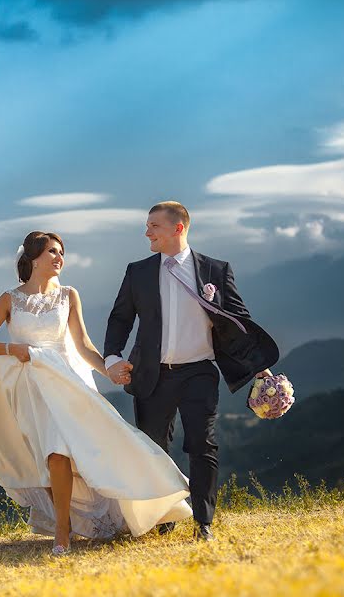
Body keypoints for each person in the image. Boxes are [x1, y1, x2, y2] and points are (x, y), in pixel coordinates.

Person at [0, 231, 193, 555]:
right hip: (29, 385)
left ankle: (72, 528)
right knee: (50, 456)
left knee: (66, 451)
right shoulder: (10, 299)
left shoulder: (69, 295)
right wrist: (12, 347)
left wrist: (110, 370)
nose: (59, 257)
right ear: (32, 257)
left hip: (65, 382)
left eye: (61, 252)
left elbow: (84, 346)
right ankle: (63, 527)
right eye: (52, 251)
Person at [104, 201, 279, 541]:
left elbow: (239, 322)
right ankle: (164, 518)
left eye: (153, 225)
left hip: (199, 373)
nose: (147, 232)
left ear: (177, 229)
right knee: (154, 448)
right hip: (152, 375)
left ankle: (204, 523)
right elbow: (121, 317)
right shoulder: (137, 271)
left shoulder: (215, 270)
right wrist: (112, 356)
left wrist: (261, 367)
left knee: (203, 445)